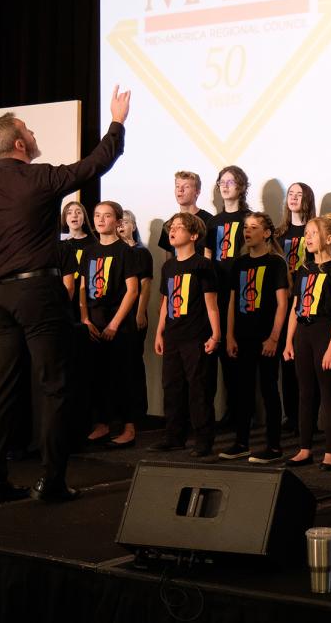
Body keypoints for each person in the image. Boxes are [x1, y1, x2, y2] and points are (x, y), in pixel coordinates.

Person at [0, 85, 130, 505]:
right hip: (37, 292)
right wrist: (117, 121)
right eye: (29, 129)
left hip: (0, 295)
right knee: (55, 385)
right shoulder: (38, 179)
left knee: (2, 389)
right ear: (20, 144)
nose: (34, 133)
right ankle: (52, 480)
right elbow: (96, 164)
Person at [151, 213, 222, 456]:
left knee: (199, 389)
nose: (173, 231)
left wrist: (216, 335)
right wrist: (159, 333)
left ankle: (203, 440)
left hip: (196, 336)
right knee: (172, 387)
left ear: (193, 236)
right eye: (172, 227)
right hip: (173, 335)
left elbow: (211, 304)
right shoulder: (168, 266)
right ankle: (174, 437)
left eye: (179, 228)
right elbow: (165, 302)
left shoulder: (202, 265)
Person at [223, 212, 290, 463]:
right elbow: (231, 302)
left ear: (267, 233)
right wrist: (229, 336)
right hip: (242, 336)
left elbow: (282, 304)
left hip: (265, 338)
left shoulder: (275, 263)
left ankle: (273, 446)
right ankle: (241, 442)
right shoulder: (239, 264)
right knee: (242, 390)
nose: (247, 231)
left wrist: (274, 338)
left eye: (253, 227)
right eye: (245, 228)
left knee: (269, 389)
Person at [78, 201, 140, 447]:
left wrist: (114, 324)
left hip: (119, 322)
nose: (100, 220)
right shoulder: (90, 252)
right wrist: (84, 318)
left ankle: (129, 427)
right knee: (97, 375)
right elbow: (83, 287)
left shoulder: (126, 251)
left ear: (117, 221)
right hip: (93, 320)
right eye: (96, 215)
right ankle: (102, 424)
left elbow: (132, 291)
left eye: (106, 216)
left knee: (123, 375)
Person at [283, 214, 331, 471]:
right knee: (305, 393)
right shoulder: (303, 269)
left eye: (313, 233)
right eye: (306, 233)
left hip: (324, 332)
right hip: (303, 333)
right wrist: (288, 342)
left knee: (327, 394)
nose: (308, 238)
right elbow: (295, 307)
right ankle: (305, 448)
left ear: (329, 238)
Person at [205, 166, 249, 429]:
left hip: (242, 293)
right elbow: (208, 257)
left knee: (240, 356)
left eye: (231, 182)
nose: (225, 186)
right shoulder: (213, 222)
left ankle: (243, 411)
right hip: (218, 293)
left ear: (241, 187)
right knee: (222, 354)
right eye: (222, 181)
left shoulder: (249, 218)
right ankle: (231, 411)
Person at [276, 182, 316, 434]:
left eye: (299, 195)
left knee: (305, 365)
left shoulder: (313, 232)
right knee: (287, 364)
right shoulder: (280, 233)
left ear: (307, 200)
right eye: (290, 194)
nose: (293, 198)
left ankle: (307, 418)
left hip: (305, 301)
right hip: (283, 301)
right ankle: (290, 416)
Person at [116, 209, 153, 446]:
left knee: (132, 367)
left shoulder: (140, 253)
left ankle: (136, 419)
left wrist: (140, 312)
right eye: (118, 223)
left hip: (133, 317)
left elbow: (145, 285)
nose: (121, 226)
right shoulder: (114, 252)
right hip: (115, 317)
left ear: (134, 226)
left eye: (125, 222)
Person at [158, 171, 213, 257]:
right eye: (177, 186)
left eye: (186, 187)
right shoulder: (169, 225)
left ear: (197, 192)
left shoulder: (209, 221)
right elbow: (168, 260)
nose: (180, 190)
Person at [58, 201, 97, 321]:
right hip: (65, 296)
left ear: (84, 218)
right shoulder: (60, 244)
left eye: (78, 212)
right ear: (65, 219)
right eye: (69, 213)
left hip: (87, 296)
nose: (74, 215)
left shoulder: (94, 243)